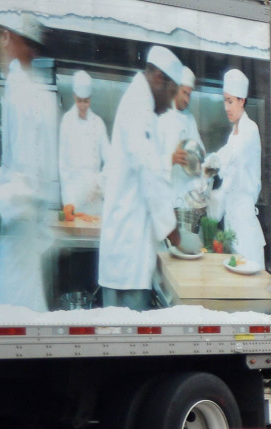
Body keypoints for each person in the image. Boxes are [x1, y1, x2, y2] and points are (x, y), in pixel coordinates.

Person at [98, 45, 183, 310]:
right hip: (127, 253)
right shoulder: (138, 106)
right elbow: (149, 174)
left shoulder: (141, 104)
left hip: (129, 247)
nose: (171, 103)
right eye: (171, 93)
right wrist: (174, 231)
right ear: (159, 78)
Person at [0, 13, 60, 311]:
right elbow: (13, 168)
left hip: (23, 236)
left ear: (7, 38)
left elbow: (29, 180)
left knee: (17, 324)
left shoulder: (26, 92)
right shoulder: (18, 85)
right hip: (19, 234)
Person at [207, 69, 264, 265]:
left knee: (250, 285)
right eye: (225, 101)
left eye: (230, 101)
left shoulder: (250, 130)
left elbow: (230, 155)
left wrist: (209, 166)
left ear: (242, 101)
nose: (226, 107)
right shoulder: (234, 134)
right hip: (232, 223)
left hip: (245, 224)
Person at [59, 69, 108, 218]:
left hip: (95, 197)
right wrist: (68, 201)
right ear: (74, 97)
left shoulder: (98, 123)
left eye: (86, 101)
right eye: (79, 100)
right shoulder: (67, 122)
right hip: (74, 199)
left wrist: (99, 184)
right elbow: (63, 165)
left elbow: (111, 160)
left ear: (90, 99)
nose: (82, 105)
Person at [157, 66, 202, 208]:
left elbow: (200, 154)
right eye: (184, 93)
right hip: (164, 198)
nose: (187, 99)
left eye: (189, 94)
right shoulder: (160, 116)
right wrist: (171, 159)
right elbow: (149, 160)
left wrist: (198, 160)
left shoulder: (190, 120)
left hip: (185, 200)